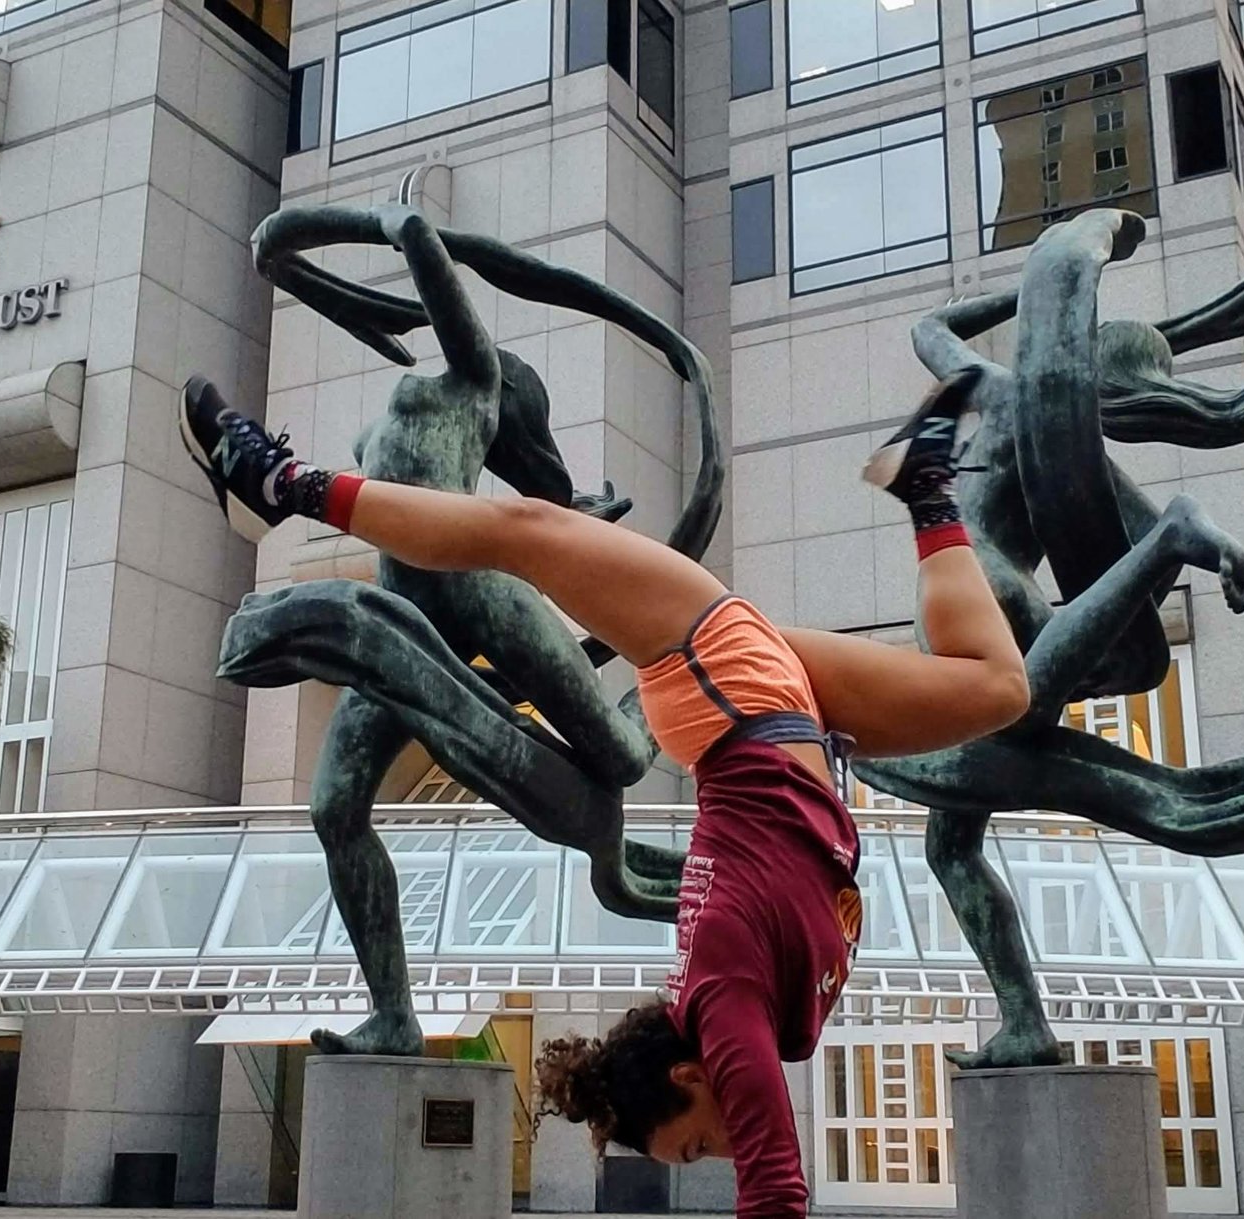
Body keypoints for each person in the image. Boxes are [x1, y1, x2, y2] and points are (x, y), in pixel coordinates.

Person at [180, 362, 1031, 1219]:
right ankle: (924, 480)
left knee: (525, 530)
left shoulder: (727, 1007)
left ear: (690, 1074)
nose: (716, 1150)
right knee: (996, 688)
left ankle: (278, 482)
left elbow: (775, 1189)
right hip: (786, 705)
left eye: (696, 1139)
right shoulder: (777, 1020)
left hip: (725, 678)